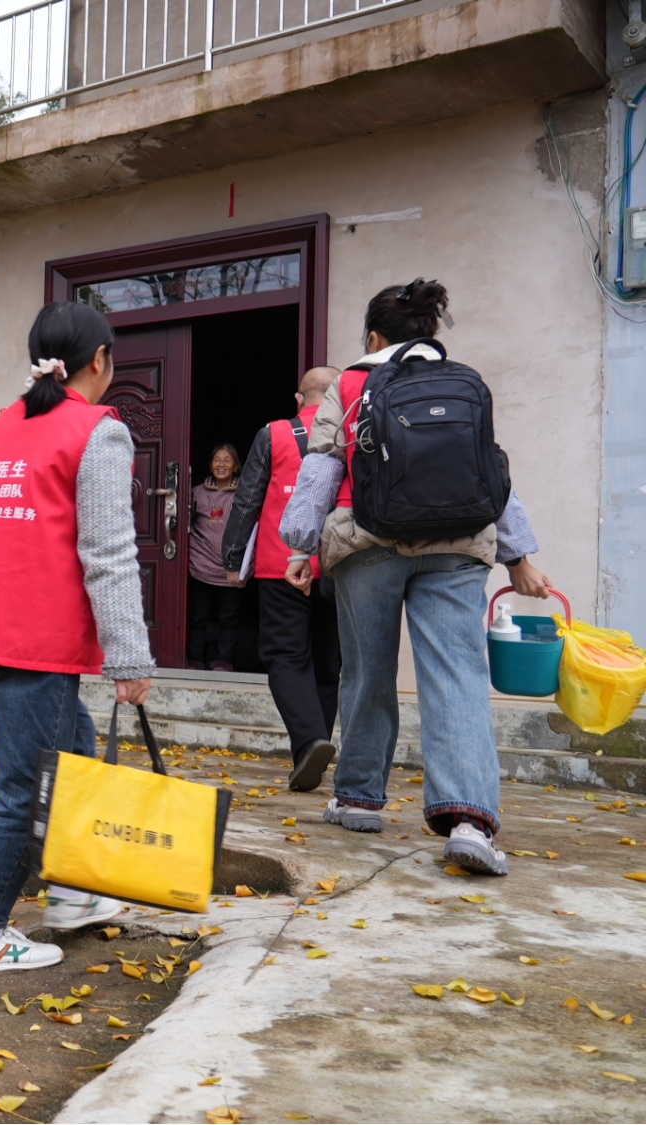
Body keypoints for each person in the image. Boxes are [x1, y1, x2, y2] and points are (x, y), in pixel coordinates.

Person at [280, 280, 550, 875]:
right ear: (428, 332)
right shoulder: (464, 382)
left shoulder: (350, 383)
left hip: (366, 539)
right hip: (458, 544)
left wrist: (302, 544)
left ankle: (357, 799)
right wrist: (519, 556)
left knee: (368, 670)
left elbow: (321, 467)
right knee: (457, 672)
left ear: (373, 336)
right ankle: (470, 822)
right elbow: (490, 472)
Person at [0, 301, 155, 973]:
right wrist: (129, 655)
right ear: (100, 361)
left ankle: (71, 891)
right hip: (36, 631)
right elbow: (110, 553)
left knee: (75, 748)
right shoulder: (97, 430)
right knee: (25, 780)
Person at [223, 367, 344, 792]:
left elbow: (248, 499)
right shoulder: (353, 433)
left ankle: (310, 742)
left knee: (286, 656)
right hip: (337, 563)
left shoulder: (273, 434)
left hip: (281, 564)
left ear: (299, 399)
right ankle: (312, 754)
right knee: (329, 664)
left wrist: (233, 558)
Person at [187, 443, 245, 671]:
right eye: (216, 460)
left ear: (236, 466)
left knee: (228, 618)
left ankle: (223, 660)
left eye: (227, 460)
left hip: (230, 568)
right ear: (210, 465)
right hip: (201, 565)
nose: (221, 464)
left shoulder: (243, 494)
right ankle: (194, 659)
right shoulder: (198, 493)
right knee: (198, 617)